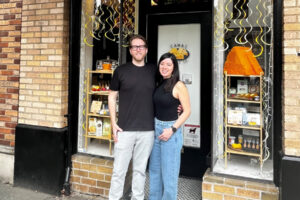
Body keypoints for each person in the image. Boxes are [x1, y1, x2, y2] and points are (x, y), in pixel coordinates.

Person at [108, 34, 156, 200]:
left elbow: (165, 92)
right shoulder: (120, 71)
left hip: (147, 130)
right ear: (130, 50)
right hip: (124, 129)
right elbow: (111, 97)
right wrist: (113, 124)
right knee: (119, 172)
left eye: (141, 46)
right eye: (134, 46)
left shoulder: (153, 71)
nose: (138, 49)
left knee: (140, 171)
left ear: (146, 49)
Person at [149, 52, 191, 200]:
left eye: (168, 64)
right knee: (155, 172)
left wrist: (172, 129)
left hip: (170, 133)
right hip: (156, 131)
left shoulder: (179, 85)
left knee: (169, 176)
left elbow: (187, 111)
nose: (164, 67)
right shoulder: (159, 83)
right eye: (162, 64)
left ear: (174, 67)